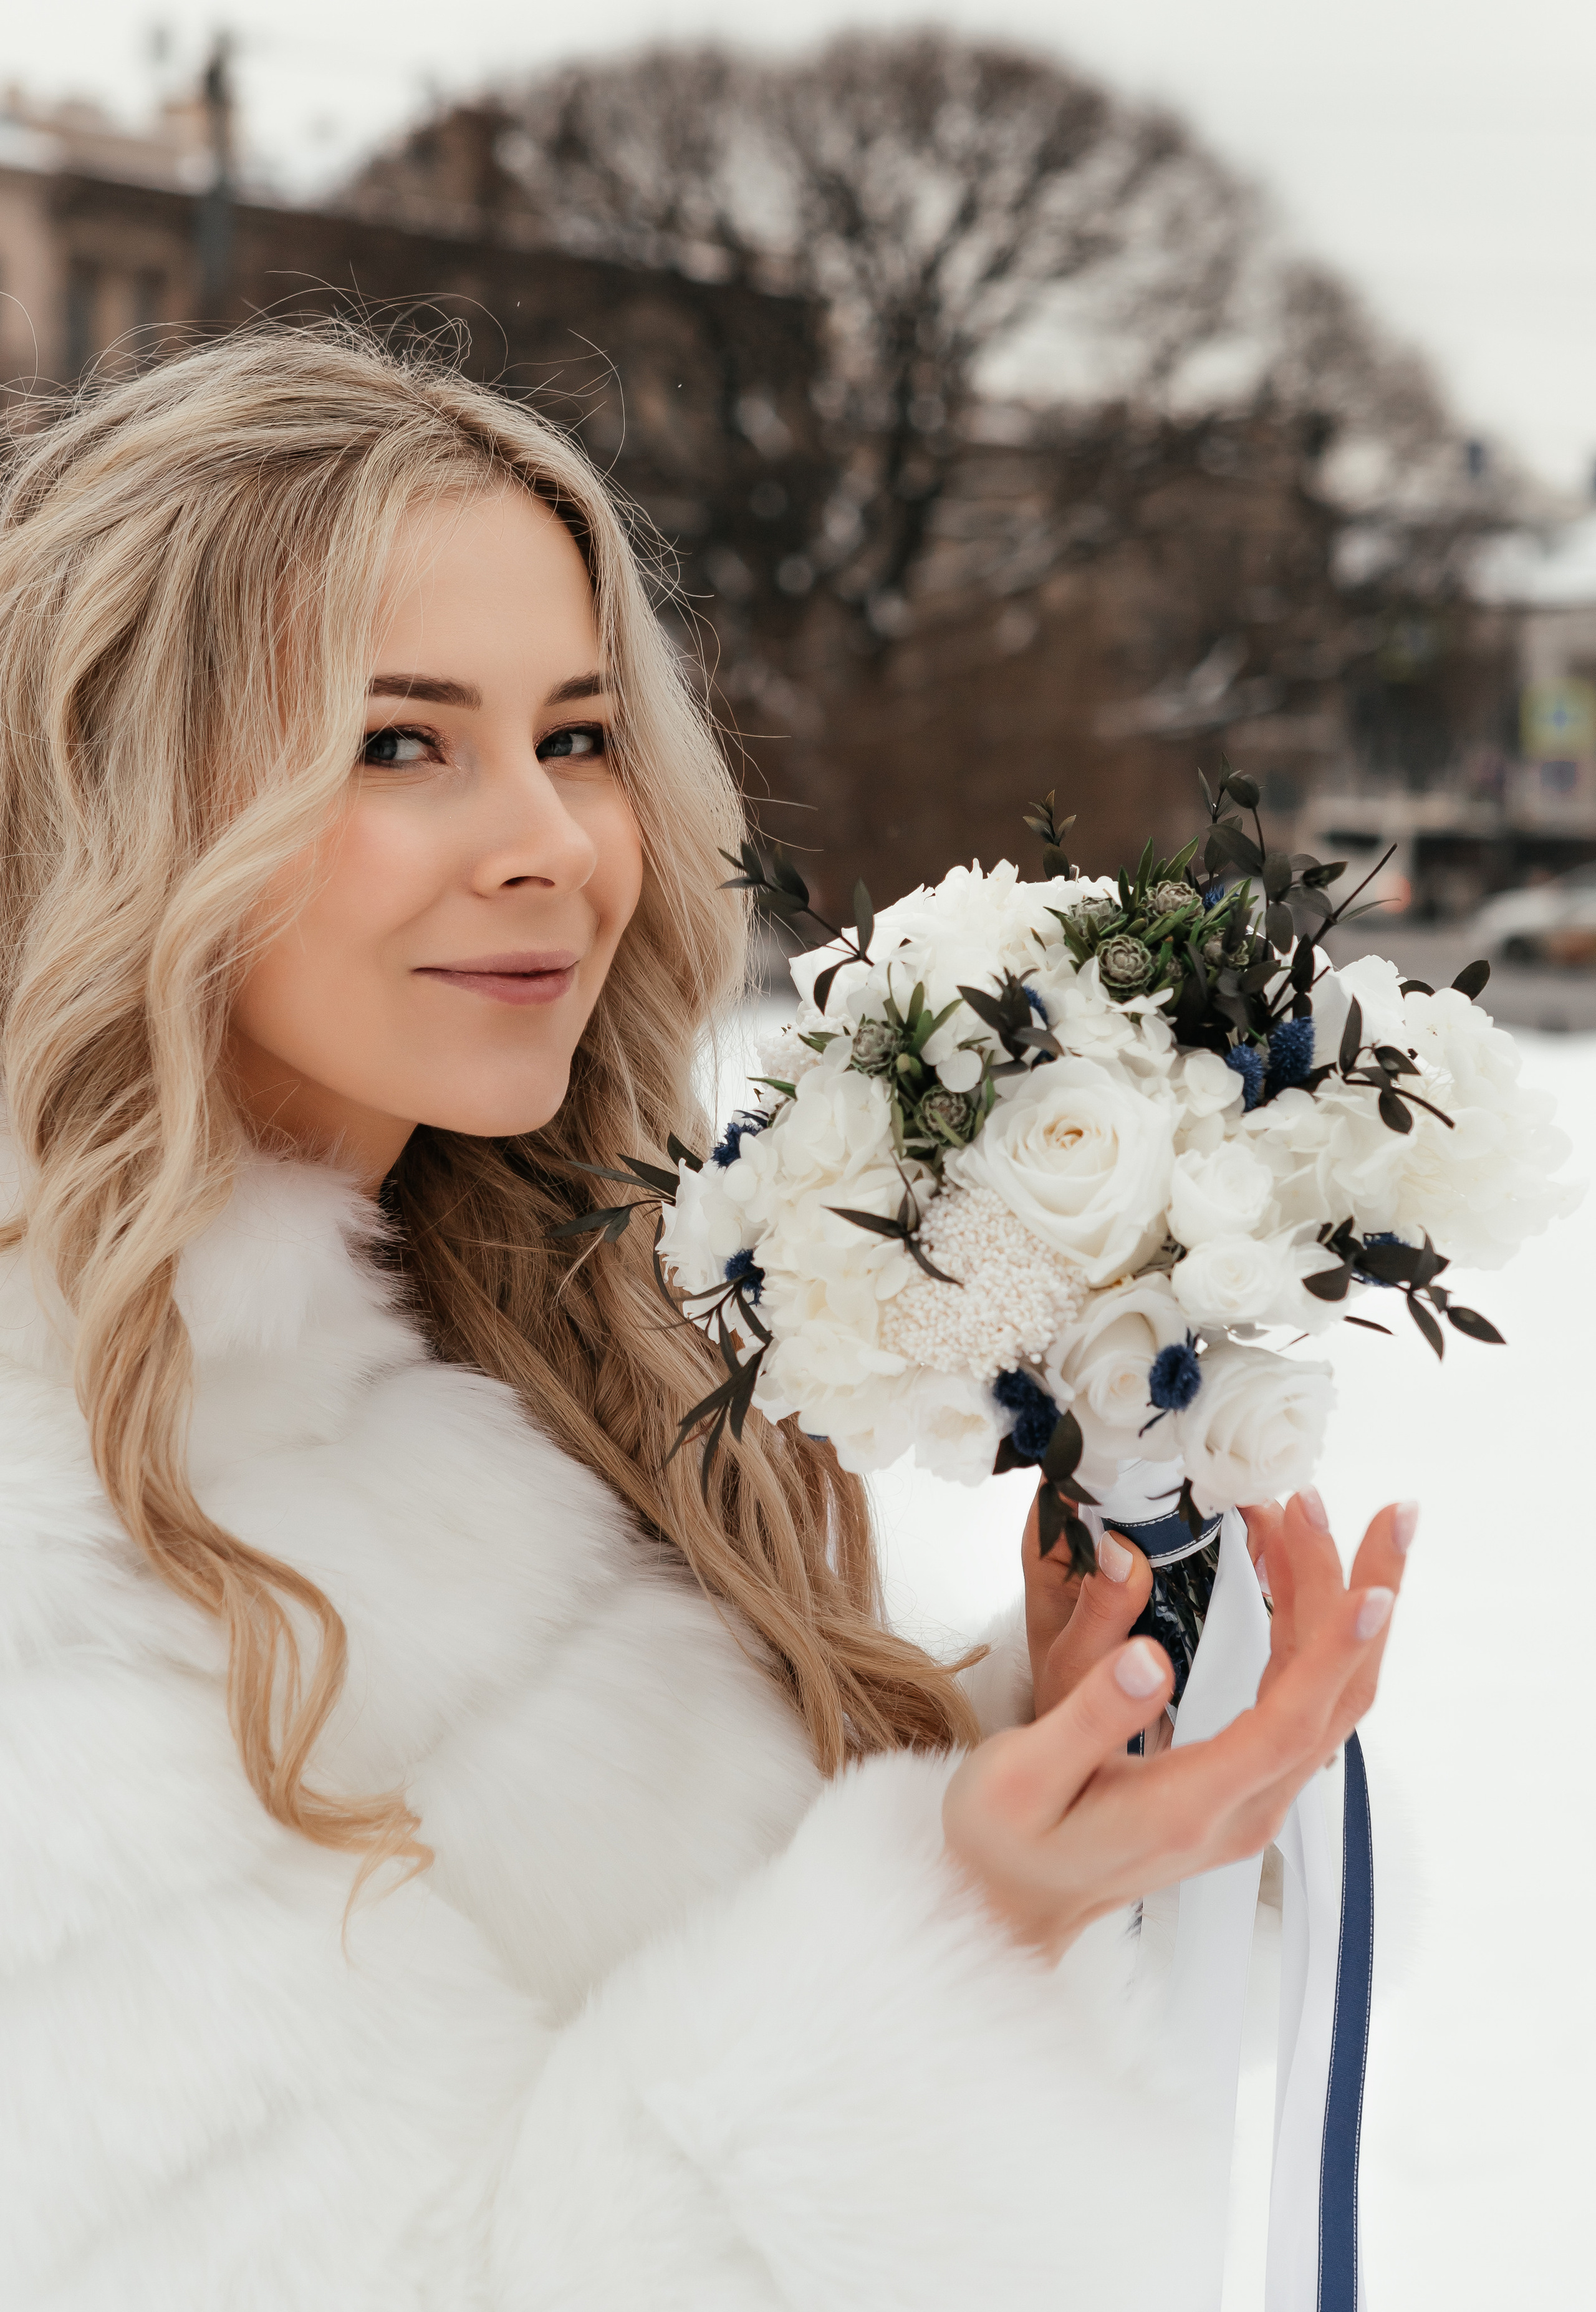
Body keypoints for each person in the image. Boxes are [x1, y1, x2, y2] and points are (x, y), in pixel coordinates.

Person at [0, 330, 1407, 2310]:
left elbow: (631, 1974)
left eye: (575, 735)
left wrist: (1066, 1736)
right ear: (122, 803)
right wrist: (955, 1919)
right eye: (401, 742)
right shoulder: (43, 1532)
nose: (551, 842)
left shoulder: (515, 1332)